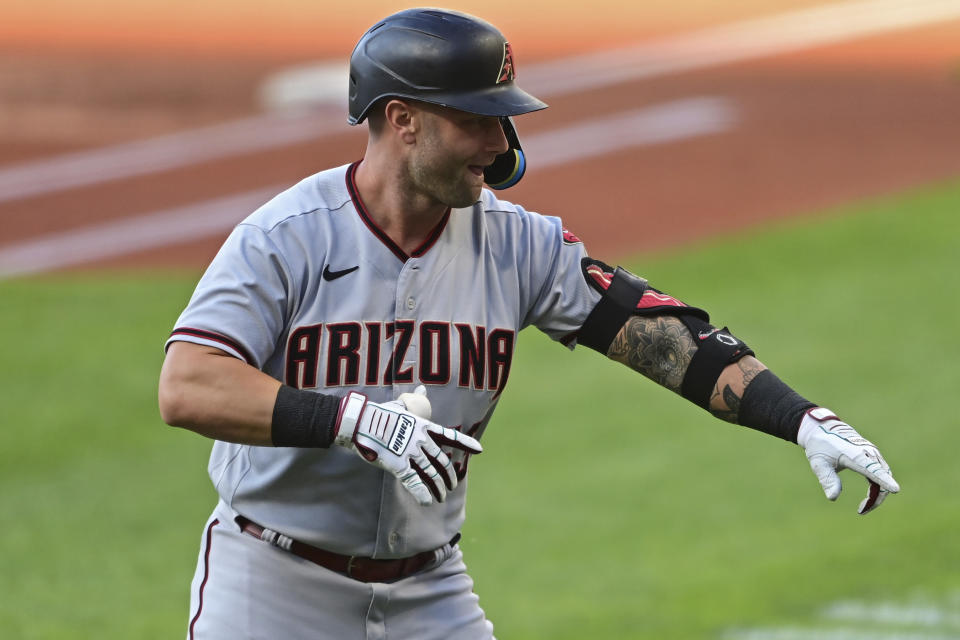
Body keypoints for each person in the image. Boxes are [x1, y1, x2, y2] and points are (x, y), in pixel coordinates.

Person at [157, 8, 899, 640]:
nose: (500, 145)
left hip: (429, 591)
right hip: (275, 586)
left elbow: (658, 335)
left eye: (503, 119)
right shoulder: (285, 237)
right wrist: (350, 420)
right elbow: (187, 387)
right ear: (402, 120)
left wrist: (800, 419)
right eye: (476, 120)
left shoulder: (518, 242)